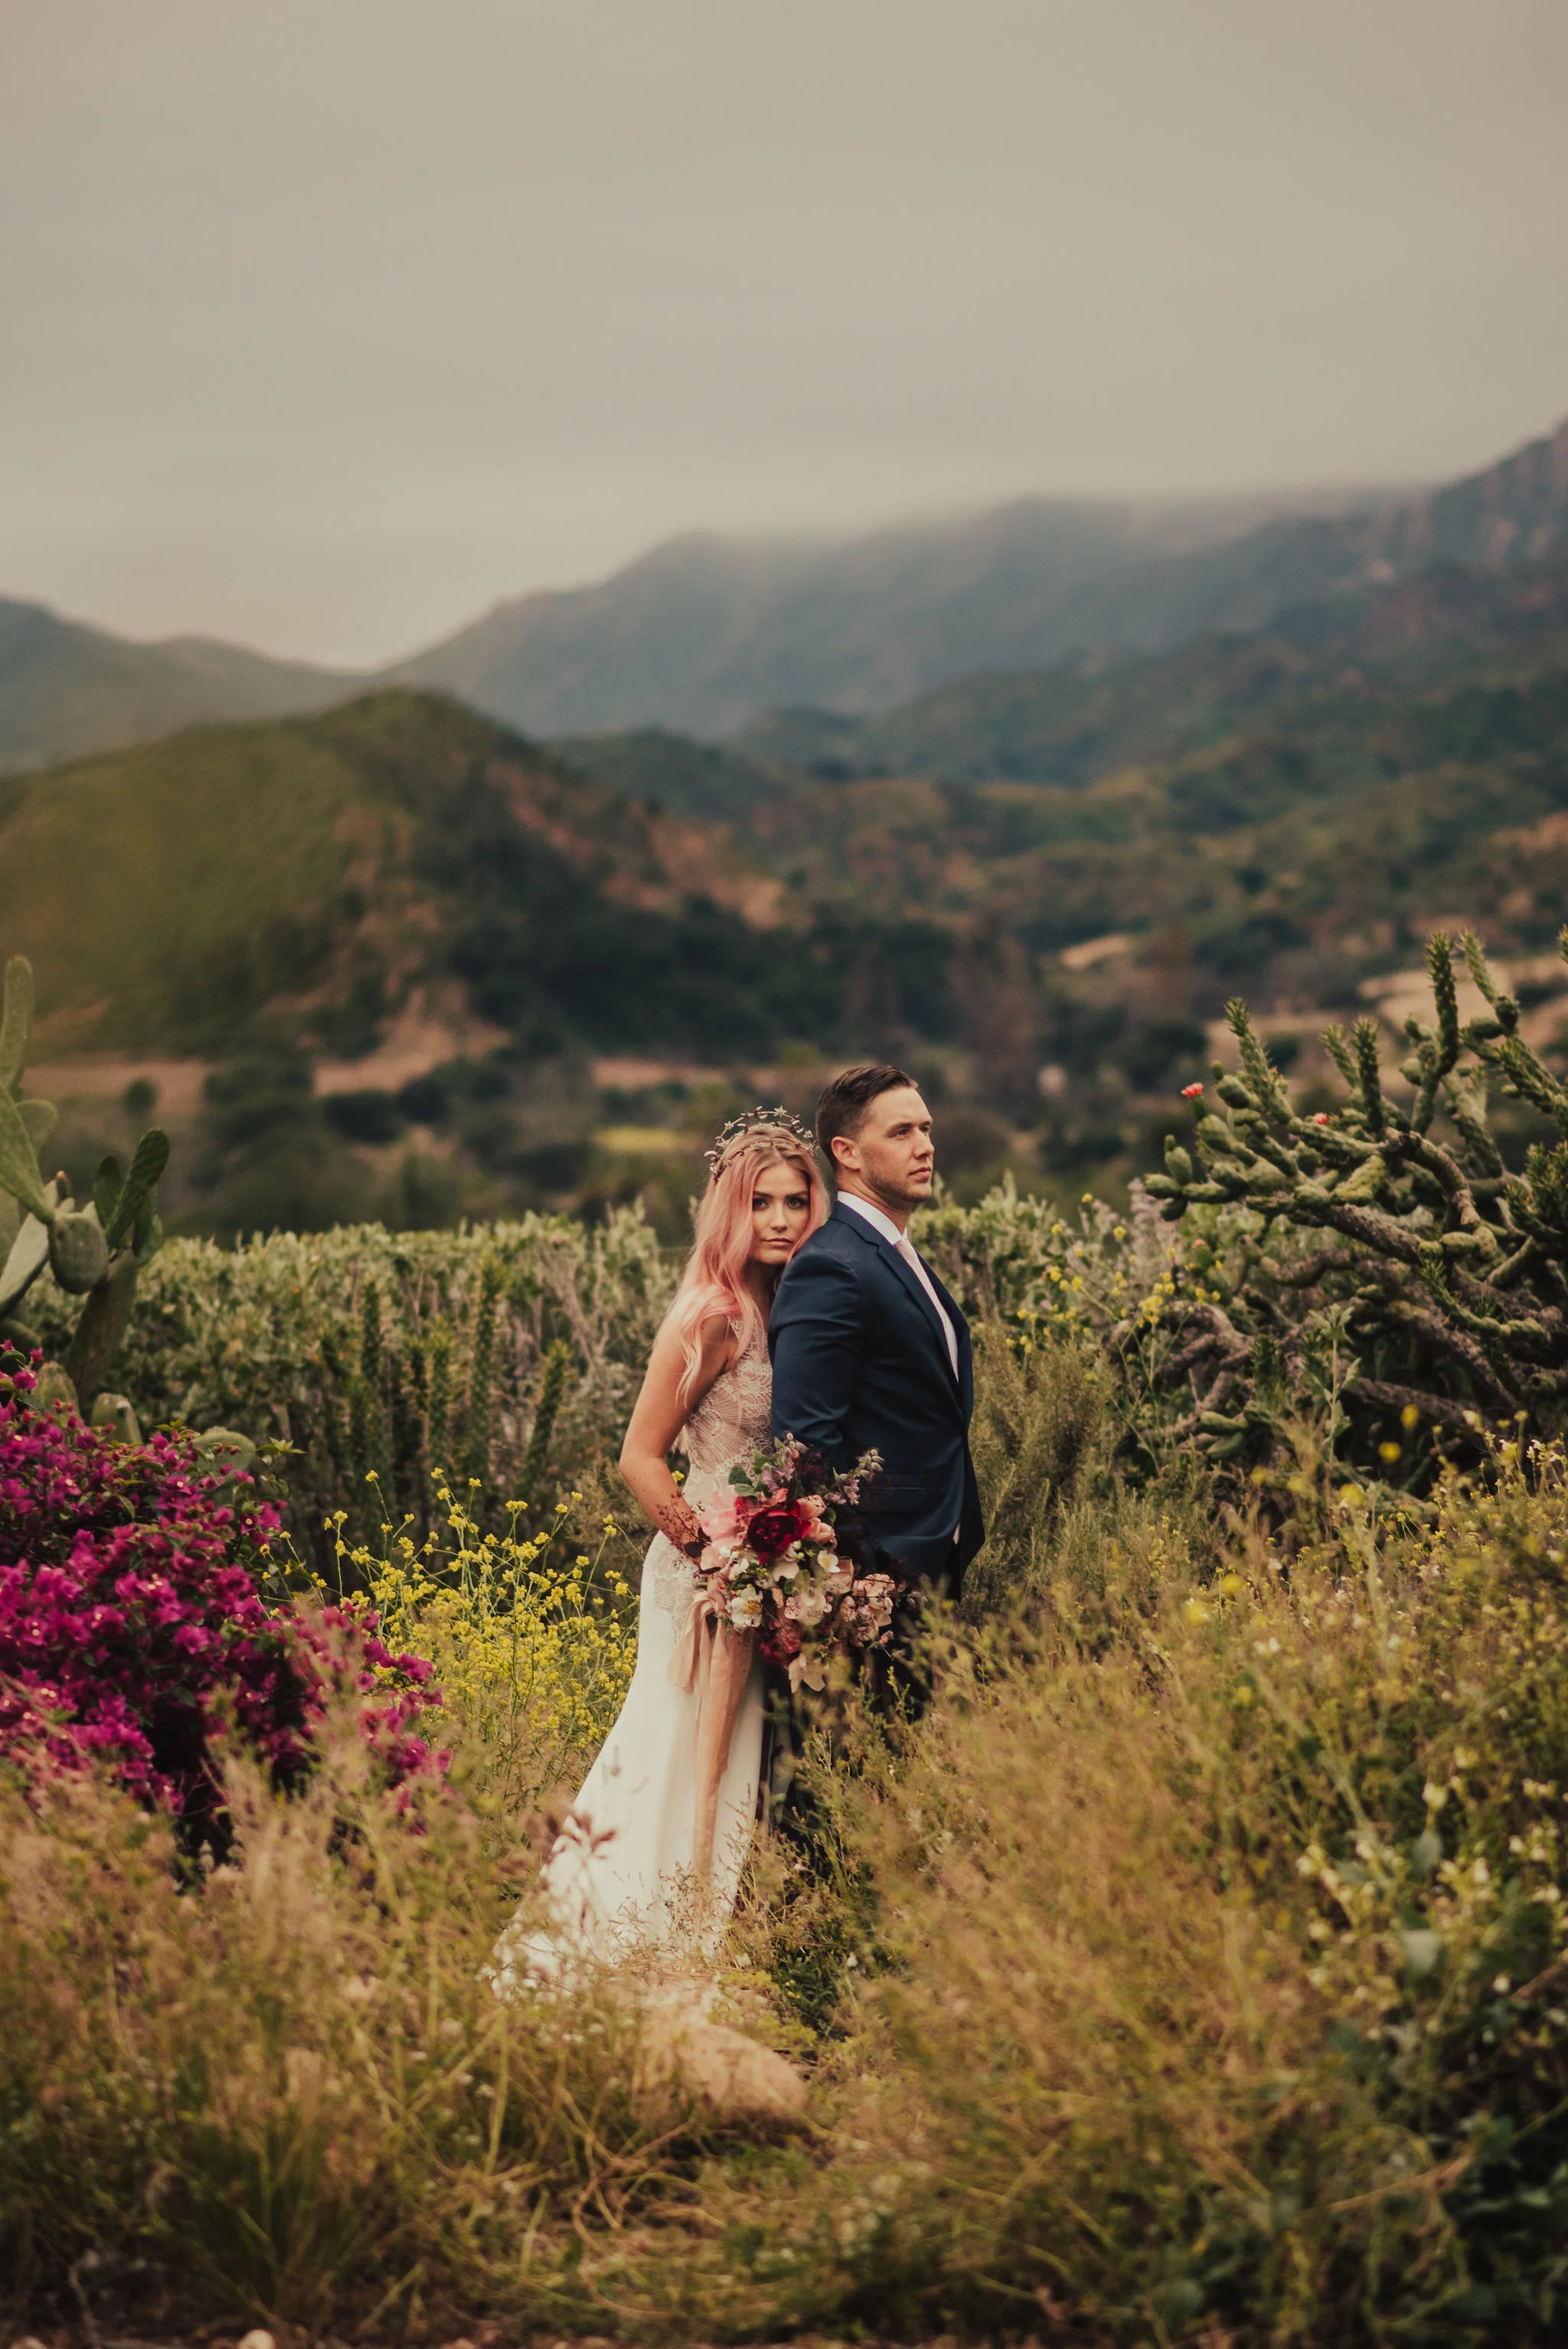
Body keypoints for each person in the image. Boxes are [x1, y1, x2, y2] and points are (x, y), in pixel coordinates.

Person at [492, 1109, 828, 1984]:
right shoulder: (711, 1314)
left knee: (740, 1756)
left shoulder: (783, 1304)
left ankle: (701, 1946)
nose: (784, 1219)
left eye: (798, 1200)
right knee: (672, 1745)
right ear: (729, 1208)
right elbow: (638, 1457)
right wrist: (710, 1552)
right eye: (763, 1202)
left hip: (763, 1567)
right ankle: (620, 1951)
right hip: (705, 1572)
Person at [769, 1065, 984, 1620]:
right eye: (901, 1133)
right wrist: (862, 1578)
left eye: (926, 1129)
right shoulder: (831, 1265)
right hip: (877, 1580)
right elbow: (805, 1440)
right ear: (848, 1152)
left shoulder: (890, 1253)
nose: (925, 1147)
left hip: (934, 1555)